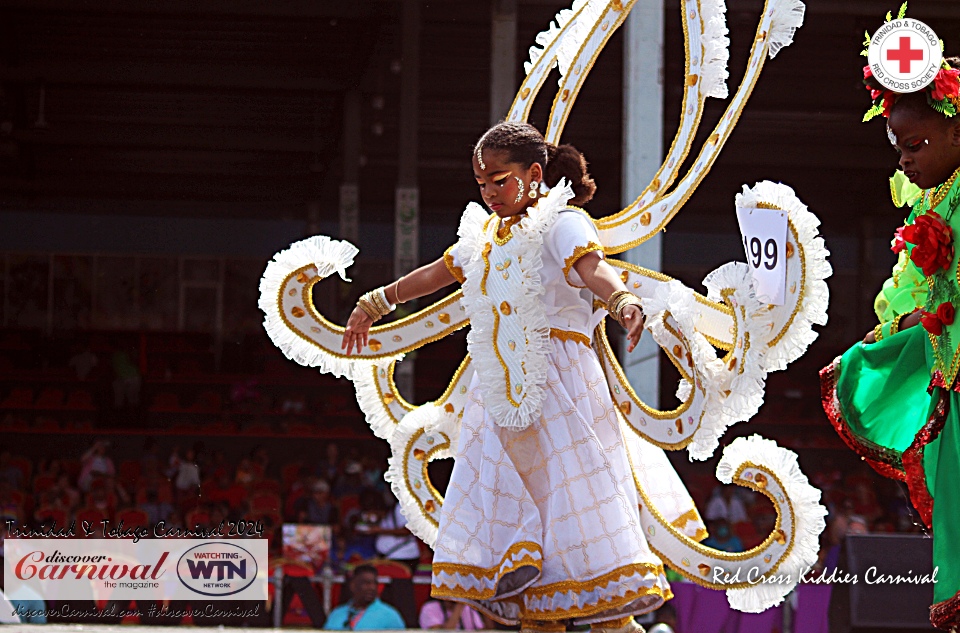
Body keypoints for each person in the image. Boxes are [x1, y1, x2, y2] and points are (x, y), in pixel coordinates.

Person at [341, 121, 664, 631]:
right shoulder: (483, 236)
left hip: (561, 383)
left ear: (534, 173)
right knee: (514, 517)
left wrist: (620, 299)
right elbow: (438, 272)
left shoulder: (563, 223)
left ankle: (614, 625)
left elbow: (592, 269)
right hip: (500, 390)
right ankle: (538, 606)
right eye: (482, 184)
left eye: (500, 180)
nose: (490, 192)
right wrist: (378, 299)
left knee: (572, 509)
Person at [821, 42, 960, 629]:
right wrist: (903, 326)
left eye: (916, 146)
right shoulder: (932, 200)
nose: (905, 160)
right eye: (898, 148)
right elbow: (926, 299)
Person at [323, 564, 406, 630]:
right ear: (353, 585)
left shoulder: (390, 615)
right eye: (366, 583)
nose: (372, 588)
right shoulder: (337, 614)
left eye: (375, 583)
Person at [419, 599, 487, 630]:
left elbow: (484, 630)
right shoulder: (430, 608)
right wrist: (458, 607)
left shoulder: (468, 609)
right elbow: (440, 631)